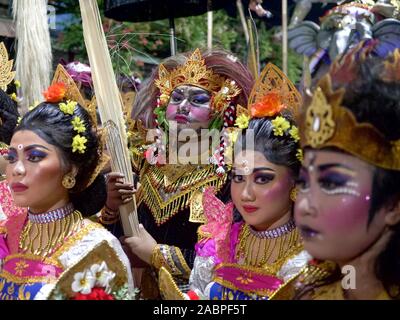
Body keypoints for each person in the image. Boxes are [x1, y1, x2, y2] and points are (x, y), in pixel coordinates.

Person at [104, 49, 254, 298]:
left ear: (219, 108)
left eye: (197, 99)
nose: (183, 106)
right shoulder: (145, 162)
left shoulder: (228, 173)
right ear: (163, 103)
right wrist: (110, 207)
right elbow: (122, 236)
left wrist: (157, 254)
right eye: (177, 97)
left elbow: (227, 255)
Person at [158, 63, 309, 300]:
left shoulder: (313, 259)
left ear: (296, 182)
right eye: (238, 177)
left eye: (262, 179)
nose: (245, 194)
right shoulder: (218, 243)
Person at [272, 47, 400, 300]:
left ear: (394, 205)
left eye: (331, 183)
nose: (304, 204)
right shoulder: (305, 292)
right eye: (304, 183)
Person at [0, 77, 134, 300]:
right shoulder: (7, 232)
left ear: (71, 171)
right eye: (12, 157)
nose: (17, 169)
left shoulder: (95, 250)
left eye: (34, 157)